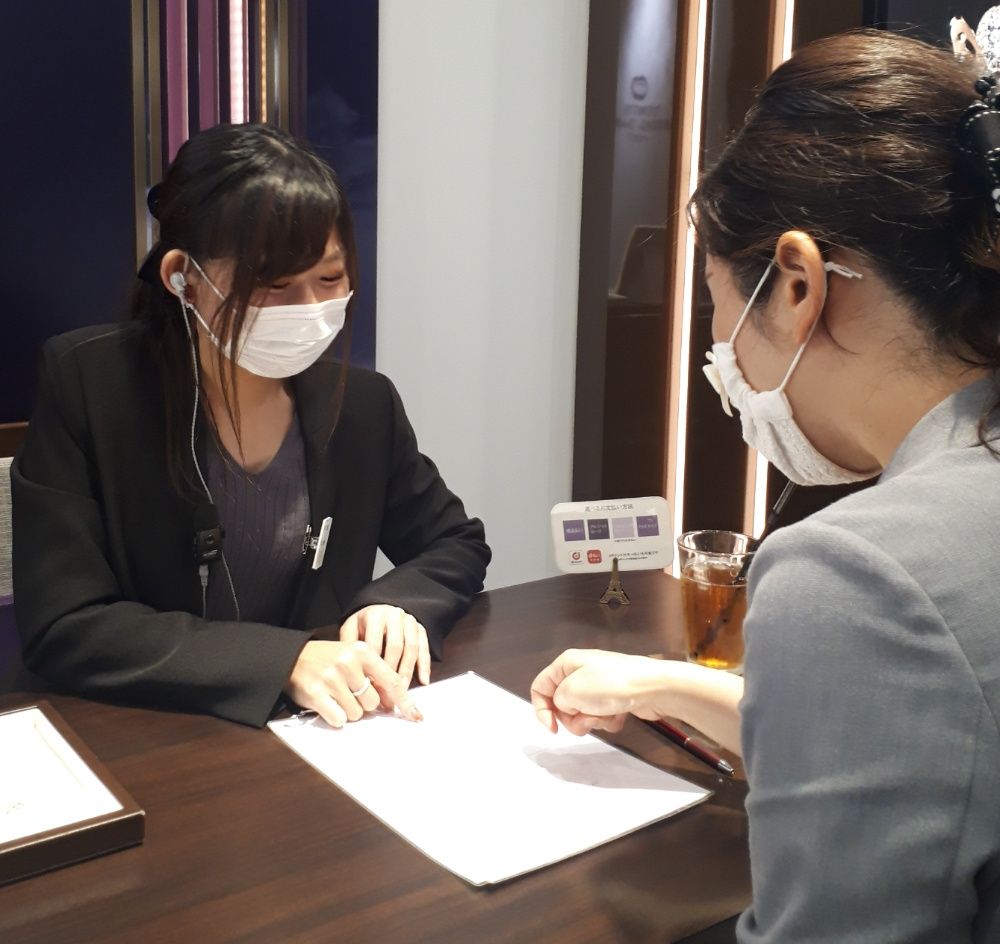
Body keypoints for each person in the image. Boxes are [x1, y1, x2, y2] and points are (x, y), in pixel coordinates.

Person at [532, 30, 1000, 942]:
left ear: (795, 285)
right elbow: (926, 732)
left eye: (717, 304)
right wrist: (668, 685)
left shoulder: (859, 574)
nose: (721, 355)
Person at [12, 123, 490, 729]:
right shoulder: (90, 385)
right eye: (274, 285)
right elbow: (64, 624)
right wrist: (281, 660)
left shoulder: (364, 406)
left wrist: (399, 604)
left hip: (320, 734)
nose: (310, 309)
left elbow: (454, 541)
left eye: (329, 279)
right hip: (148, 733)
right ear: (183, 277)